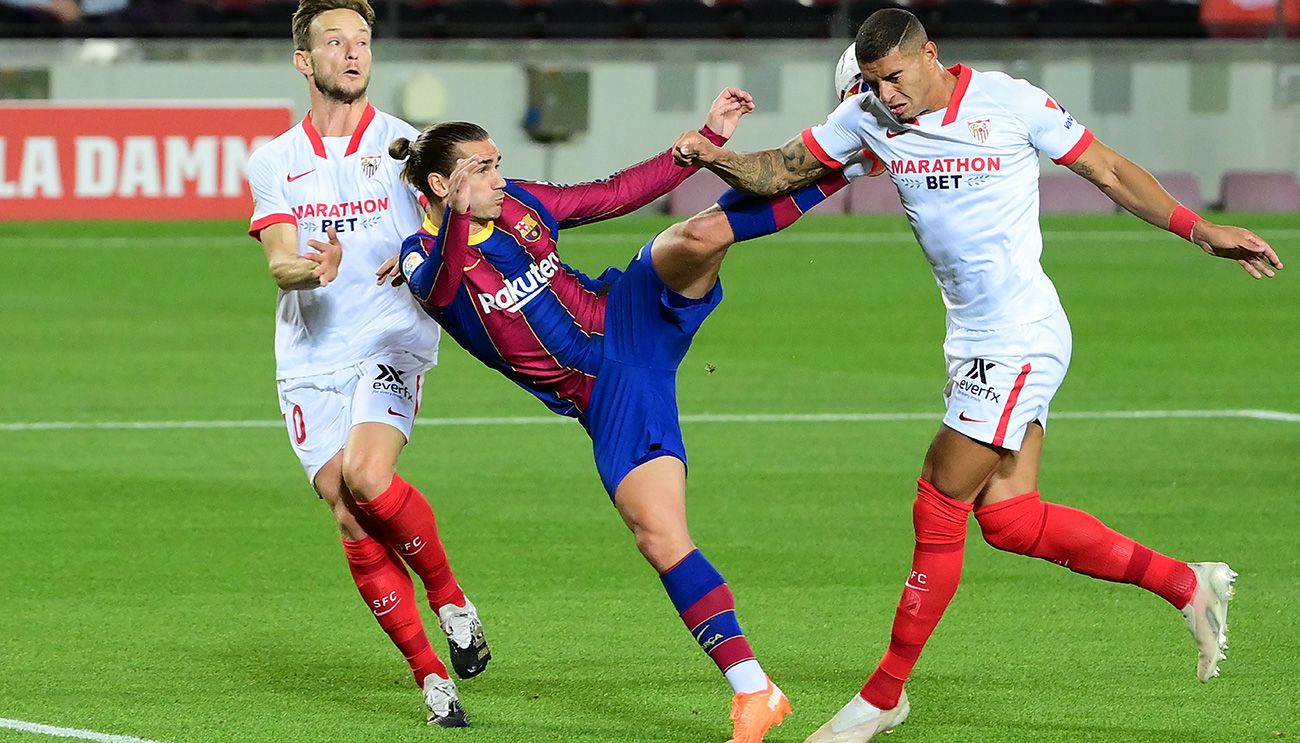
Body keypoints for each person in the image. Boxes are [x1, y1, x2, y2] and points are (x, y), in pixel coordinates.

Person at [673, 10, 1283, 742]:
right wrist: (707, 153)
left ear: (930, 55)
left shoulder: (1010, 100)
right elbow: (780, 170)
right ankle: (1188, 583)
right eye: (871, 83)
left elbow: (1109, 169)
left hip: (1020, 335)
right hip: (973, 339)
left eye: (894, 77)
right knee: (1011, 517)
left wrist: (1200, 228)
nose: (885, 95)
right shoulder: (866, 117)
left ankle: (883, 695)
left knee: (939, 498)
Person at [381, 92, 853, 742]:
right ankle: (756, 689)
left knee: (698, 232)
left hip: (624, 309)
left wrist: (693, 148)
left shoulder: (519, 204)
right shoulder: (418, 255)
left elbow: (610, 193)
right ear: (443, 184)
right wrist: (456, 220)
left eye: (497, 163)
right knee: (661, 539)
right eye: (483, 168)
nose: (498, 177)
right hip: (608, 391)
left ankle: (852, 159)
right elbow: (438, 287)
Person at [245, 0, 489, 728]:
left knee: (369, 475)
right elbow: (279, 263)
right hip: (309, 355)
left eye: (362, 41)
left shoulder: (412, 149)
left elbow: (464, 230)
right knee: (351, 517)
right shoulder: (274, 161)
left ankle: (450, 599)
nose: (353, 53)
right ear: (304, 61)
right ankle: (431, 677)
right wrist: (311, 268)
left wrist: (424, 248)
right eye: (334, 41)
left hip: (389, 340)